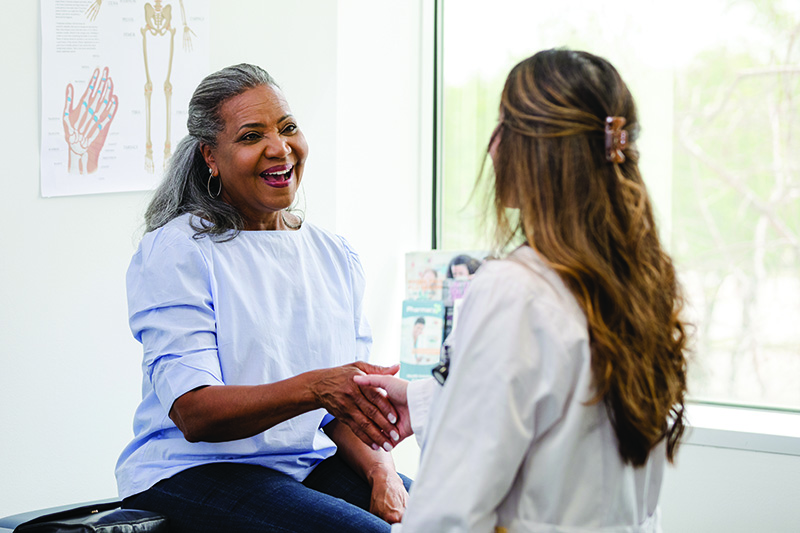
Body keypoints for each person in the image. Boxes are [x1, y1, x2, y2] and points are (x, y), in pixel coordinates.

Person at [355, 49, 690, 532]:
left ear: (537, 150)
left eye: (503, 125)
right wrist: (423, 402)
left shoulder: (513, 291)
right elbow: (568, 413)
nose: (492, 146)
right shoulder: (641, 280)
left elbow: (449, 511)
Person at [116, 63, 410, 533]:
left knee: (449, 515)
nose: (280, 148)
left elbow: (345, 410)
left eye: (288, 128)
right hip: (194, 470)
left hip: (304, 461)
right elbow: (195, 414)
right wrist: (315, 387)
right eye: (252, 136)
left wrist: (382, 472)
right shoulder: (178, 252)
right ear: (211, 157)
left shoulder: (334, 254)